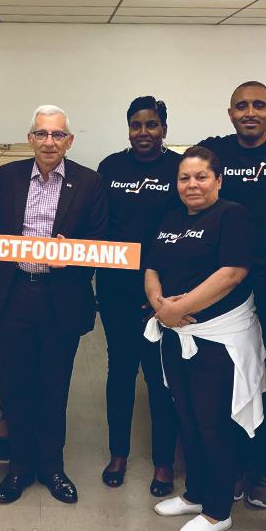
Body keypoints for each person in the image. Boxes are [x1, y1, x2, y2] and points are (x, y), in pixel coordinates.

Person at [196, 80, 266, 508]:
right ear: (230, 113)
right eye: (241, 105)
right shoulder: (215, 151)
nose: (250, 112)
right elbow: (187, 178)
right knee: (233, 375)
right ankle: (235, 465)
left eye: (258, 105)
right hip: (226, 284)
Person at [144, 146, 266, 531]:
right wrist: (161, 306)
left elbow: (231, 274)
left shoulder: (233, 216)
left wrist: (179, 309)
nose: (192, 185)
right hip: (177, 335)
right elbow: (152, 267)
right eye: (184, 178)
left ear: (218, 180)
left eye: (200, 177)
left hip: (219, 339)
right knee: (189, 419)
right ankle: (196, 493)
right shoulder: (168, 218)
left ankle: (218, 511)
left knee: (214, 425)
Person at [0, 105, 108, 505]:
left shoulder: (89, 182)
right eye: (42, 134)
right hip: (15, 292)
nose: (49, 142)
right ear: (30, 138)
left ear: (69, 141)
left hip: (62, 296)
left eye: (57, 135)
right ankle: (19, 467)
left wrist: (71, 254)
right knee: (16, 385)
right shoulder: (6, 177)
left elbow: (100, 242)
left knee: (54, 387)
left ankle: (52, 468)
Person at [96, 96, 179, 496]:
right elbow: (97, 224)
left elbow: (184, 228)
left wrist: (161, 292)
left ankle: (164, 463)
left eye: (151, 125)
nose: (143, 133)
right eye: (136, 125)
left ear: (164, 128)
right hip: (115, 289)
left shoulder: (179, 169)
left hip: (162, 292)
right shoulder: (111, 167)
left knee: (160, 379)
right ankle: (119, 454)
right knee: (120, 372)